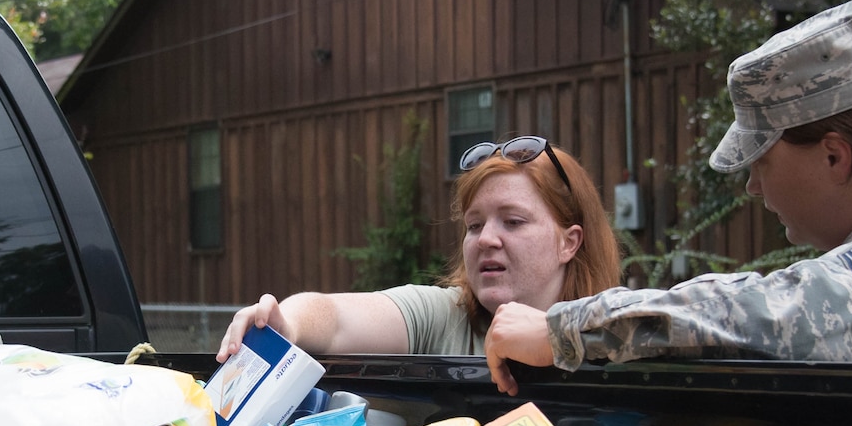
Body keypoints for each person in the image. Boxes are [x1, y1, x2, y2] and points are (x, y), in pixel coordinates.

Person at [484, 0, 852, 395]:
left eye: (761, 160)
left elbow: (773, 314)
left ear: (835, 156)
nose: (753, 186)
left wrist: (564, 330)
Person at [217, 137, 620, 359]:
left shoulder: (617, 334)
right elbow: (336, 316)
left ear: (569, 242)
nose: (486, 239)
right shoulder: (444, 317)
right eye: (474, 225)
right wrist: (286, 323)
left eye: (513, 222)